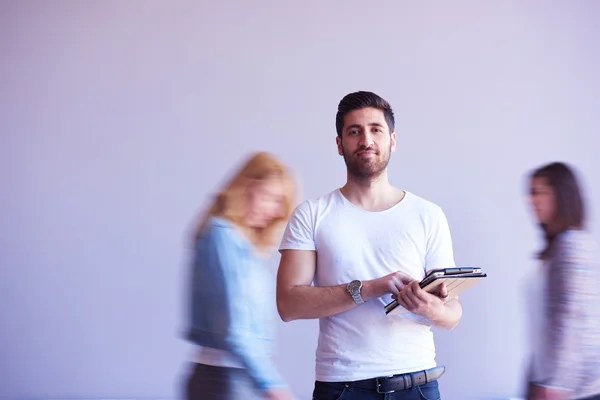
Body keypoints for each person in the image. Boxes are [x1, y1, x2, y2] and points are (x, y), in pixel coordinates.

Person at [276, 91, 463, 400]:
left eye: (376, 129)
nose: (366, 140)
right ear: (339, 144)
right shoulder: (312, 214)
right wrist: (370, 288)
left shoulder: (428, 214)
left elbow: (453, 313)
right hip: (342, 388)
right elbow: (288, 305)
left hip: (417, 385)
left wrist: (431, 309)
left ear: (392, 139)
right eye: (354, 131)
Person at [184, 152, 297, 400]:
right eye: (269, 197)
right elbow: (236, 330)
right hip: (224, 381)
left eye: (281, 202)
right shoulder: (221, 236)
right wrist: (275, 387)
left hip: (238, 378)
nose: (276, 210)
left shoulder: (245, 245)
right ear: (244, 187)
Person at [524, 162, 600, 400]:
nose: (531, 201)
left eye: (540, 192)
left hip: (572, 389)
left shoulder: (572, 245)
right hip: (550, 380)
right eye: (530, 193)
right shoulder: (557, 249)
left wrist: (556, 383)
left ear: (562, 196)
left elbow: (571, 317)